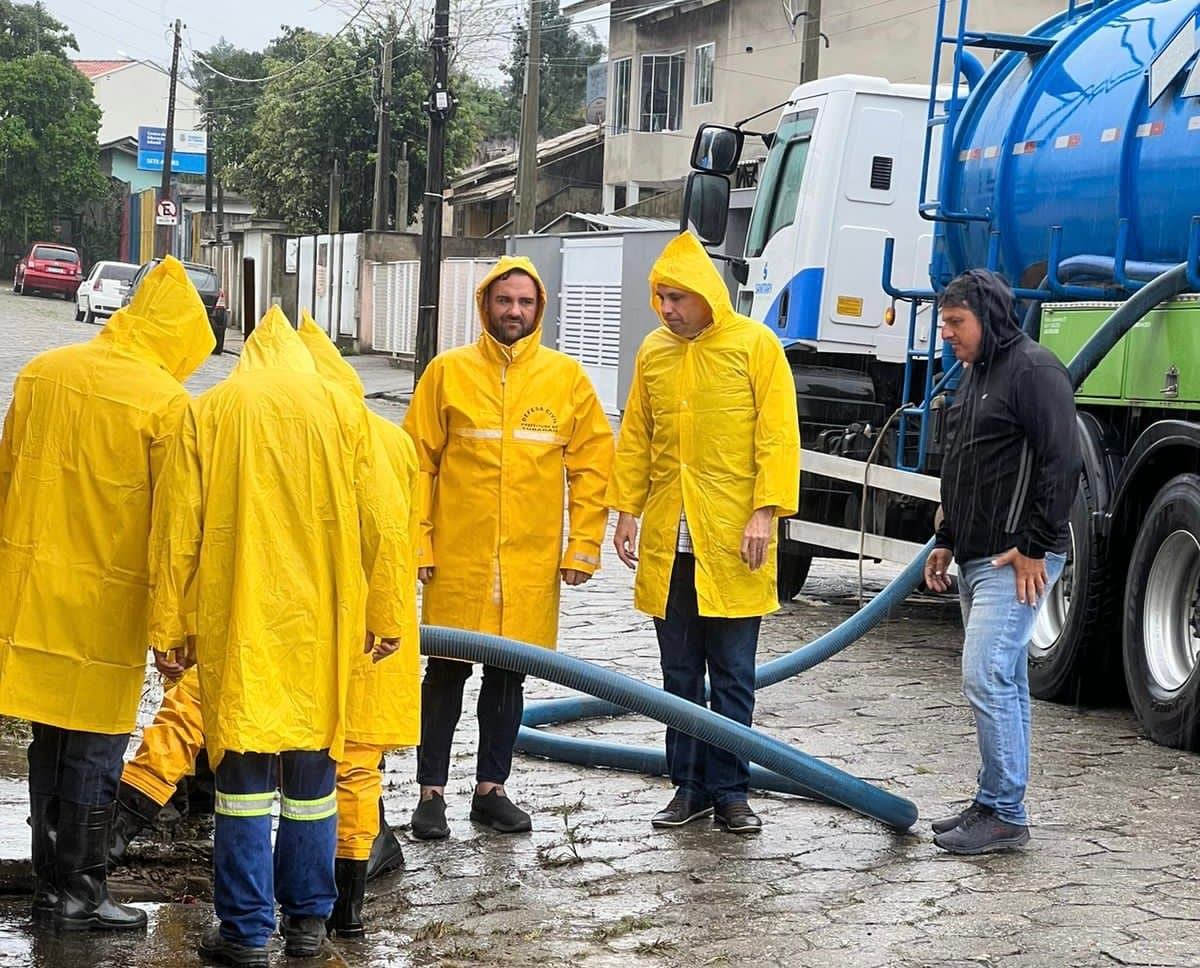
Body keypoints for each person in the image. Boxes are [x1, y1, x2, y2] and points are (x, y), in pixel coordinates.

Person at [148, 306, 410, 967]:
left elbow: (176, 530)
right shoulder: (346, 414)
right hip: (323, 633)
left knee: (240, 786)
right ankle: (305, 926)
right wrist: (387, 615)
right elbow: (387, 523)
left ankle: (244, 931)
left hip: (239, 628)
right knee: (314, 786)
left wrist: (170, 627)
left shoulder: (210, 411)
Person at [0, 257, 214, 931]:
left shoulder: (43, 372)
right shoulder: (168, 403)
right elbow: (176, 529)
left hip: (32, 595)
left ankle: (49, 886)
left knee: (49, 740)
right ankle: (82, 891)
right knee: (94, 745)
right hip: (106, 604)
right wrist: (173, 628)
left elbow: (6, 479)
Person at [403, 256, 613, 840]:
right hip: (458, 556)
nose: (514, 312)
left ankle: (491, 790)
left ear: (538, 308)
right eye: (504, 301)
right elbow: (414, 464)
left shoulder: (565, 379)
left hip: (529, 560)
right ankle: (431, 794)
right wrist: (418, 542)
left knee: (509, 675)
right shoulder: (446, 373)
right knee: (444, 671)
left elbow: (593, 466)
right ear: (485, 305)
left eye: (524, 302)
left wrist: (583, 547)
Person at [609, 231, 800, 835]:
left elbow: (777, 434)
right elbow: (637, 435)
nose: (667, 308)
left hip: (736, 541)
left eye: (677, 297)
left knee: (734, 676)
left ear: (707, 296)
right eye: (660, 297)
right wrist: (627, 510)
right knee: (680, 677)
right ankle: (687, 788)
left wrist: (765, 511)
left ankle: (732, 792)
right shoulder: (653, 353)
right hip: (673, 541)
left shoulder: (754, 346)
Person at [924, 269, 1080, 855]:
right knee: (1005, 679)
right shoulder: (975, 375)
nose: (948, 335)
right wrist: (944, 538)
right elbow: (964, 465)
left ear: (988, 318)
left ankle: (1006, 812)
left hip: (1016, 560)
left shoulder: (1034, 370)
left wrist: (1037, 546)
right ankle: (994, 801)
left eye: (956, 323)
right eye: (944, 324)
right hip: (975, 554)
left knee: (984, 673)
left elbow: (1061, 462)